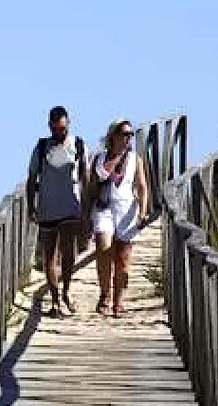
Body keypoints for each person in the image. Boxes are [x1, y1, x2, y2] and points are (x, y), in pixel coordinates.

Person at [25, 106, 88, 316]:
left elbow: (85, 177)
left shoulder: (78, 145)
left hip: (70, 207)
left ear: (68, 124)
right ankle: (54, 300)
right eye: (55, 129)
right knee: (49, 255)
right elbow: (31, 177)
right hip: (48, 207)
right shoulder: (42, 147)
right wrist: (30, 206)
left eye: (62, 128)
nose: (59, 133)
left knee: (68, 253)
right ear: (49, 126)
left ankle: (66, 290)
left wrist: (87, 207)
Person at [89, 119, 150, 318]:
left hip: (126, 210)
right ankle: (105, 294)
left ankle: (119, 301)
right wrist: (84, 214)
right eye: (124, 134)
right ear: (113, 135)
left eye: (130, 134)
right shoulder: (99, 158)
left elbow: (142, 186)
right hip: (103, 207)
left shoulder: (134, 159)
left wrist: (143, 212)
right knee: (103, 248)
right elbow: (90, 187)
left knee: (123, 260)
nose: (128, 138)